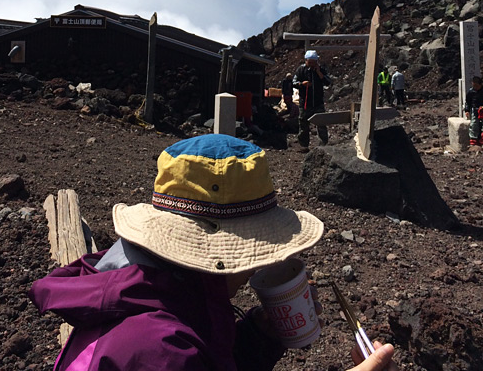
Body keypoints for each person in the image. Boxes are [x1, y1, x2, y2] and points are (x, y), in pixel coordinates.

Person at [29, 134, 398, 371]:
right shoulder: (159, 349)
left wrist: (257, 337)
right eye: (259, 247)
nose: (266, 261)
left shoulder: (151, 287)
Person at [293, 50, 332, 151]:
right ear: (306, 61)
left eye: (313, 62)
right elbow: (293, 82)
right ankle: (303, 145)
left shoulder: (321, 69)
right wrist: (302, 84)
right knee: (303, 124)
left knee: (321, 123)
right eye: (309, 62)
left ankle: (323, 145)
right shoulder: (301, 70)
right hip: (305, 103)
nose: (311, 64)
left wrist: (319, 73)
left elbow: (328, 82)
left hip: (318, 102)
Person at [464, 75, 483, 146]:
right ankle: (473, 140)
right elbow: (468, 102)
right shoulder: (471, 92)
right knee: (474, 124)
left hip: (482, 110)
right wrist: (467, 110)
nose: (475, 87)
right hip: (474, 110)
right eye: (474, 86)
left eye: (476, 86)